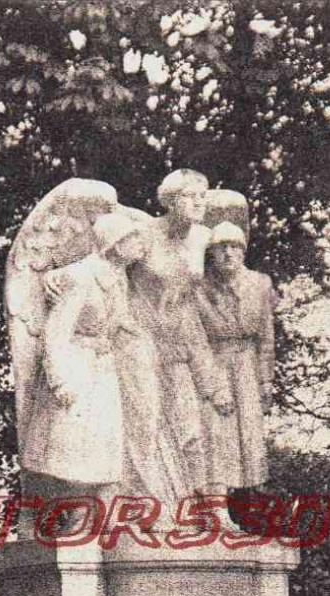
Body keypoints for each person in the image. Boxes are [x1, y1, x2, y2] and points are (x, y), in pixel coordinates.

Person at [20, 212, 142, 526]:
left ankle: (103, 517)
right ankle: (76, 517)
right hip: (77, 365)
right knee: (75, 447)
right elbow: (56, 331)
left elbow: (119, 319)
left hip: (102, 367)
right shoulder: (81, 277)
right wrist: (61, 381)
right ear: (115, 245)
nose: (140, 243)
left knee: (104, 443)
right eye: (132, 238)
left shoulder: (117, 276)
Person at [127, 168, 229, 504]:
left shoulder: (203, 237)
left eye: (203, 195)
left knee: (191, 430)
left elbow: (201, 297)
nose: (198, 202)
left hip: (180, 342)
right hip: (139, 339)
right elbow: (109, 263)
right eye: (189, 195)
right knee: (147, 423)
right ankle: (147, 505)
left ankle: (196, 507)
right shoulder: (143, 232)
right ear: (170, 200)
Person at [196, 221, 278, 503]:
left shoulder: (260, 283)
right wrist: (212, 384)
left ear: (243, 251)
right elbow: (197, 340)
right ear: (211, 254)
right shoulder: (199, 288)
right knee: (217, 435)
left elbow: (266, 336)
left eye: (234, 247)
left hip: (247, 365)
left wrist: (266, 380)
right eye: (221, 248)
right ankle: (215, 503)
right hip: (216, 363)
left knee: (250, 438)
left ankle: (252, 503)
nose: (228, 254)